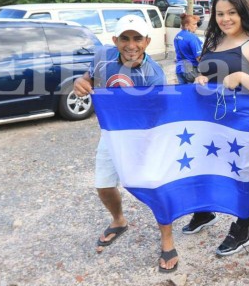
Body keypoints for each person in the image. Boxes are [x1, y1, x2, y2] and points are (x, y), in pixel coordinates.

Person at [73, 15, 179, 272]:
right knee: (104, 185)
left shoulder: (153, 74)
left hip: (144, 135)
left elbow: (159, 113)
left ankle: (167, 240)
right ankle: (119, 221)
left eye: (137, 38)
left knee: (155, 186)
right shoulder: (101, 56)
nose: (131, 45)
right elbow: (88, 78)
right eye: (125, 38)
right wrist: (82, 82)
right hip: (112, 133)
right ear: (114, 40)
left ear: (147, 41)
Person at [186, 0, 249, 256]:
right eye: (220, 13)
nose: (226, 18)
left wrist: (241, 76)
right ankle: (204, 212)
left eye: (232, 13)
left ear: (242, 13)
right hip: (211, 122)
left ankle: (242, 229)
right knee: (206, 167)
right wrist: (200, 79)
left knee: (242, 175)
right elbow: (208, 76)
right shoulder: (213, 42)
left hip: (243, 124)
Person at [174, 13, 203, 84]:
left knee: (183, 92)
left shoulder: (177, 36)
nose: (196, 26)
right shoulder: (192, 37)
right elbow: (199, 57)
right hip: (190, 71)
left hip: (179, 69)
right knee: (192, 93)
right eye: (194, 24)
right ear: (186, 25)